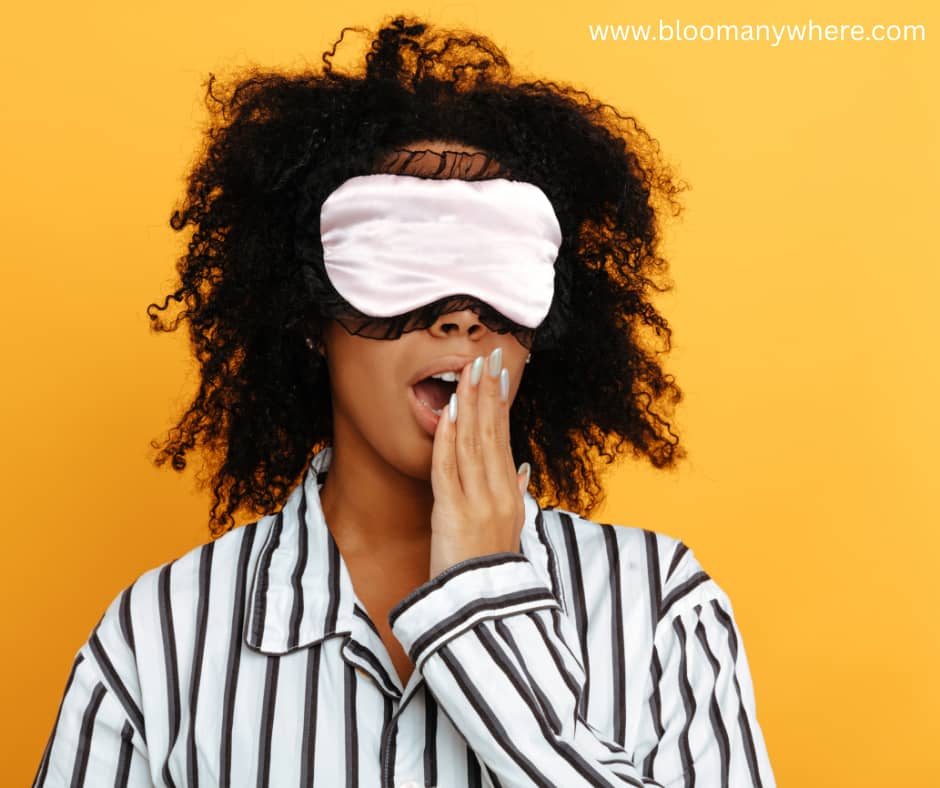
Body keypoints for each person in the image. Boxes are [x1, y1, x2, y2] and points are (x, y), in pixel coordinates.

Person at [33, 14, 776, 788]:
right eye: (404, 263)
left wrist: (485, 609)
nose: (460, 319)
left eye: (496, 274)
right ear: (312, 312)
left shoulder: (661, 610)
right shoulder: (158, 641)